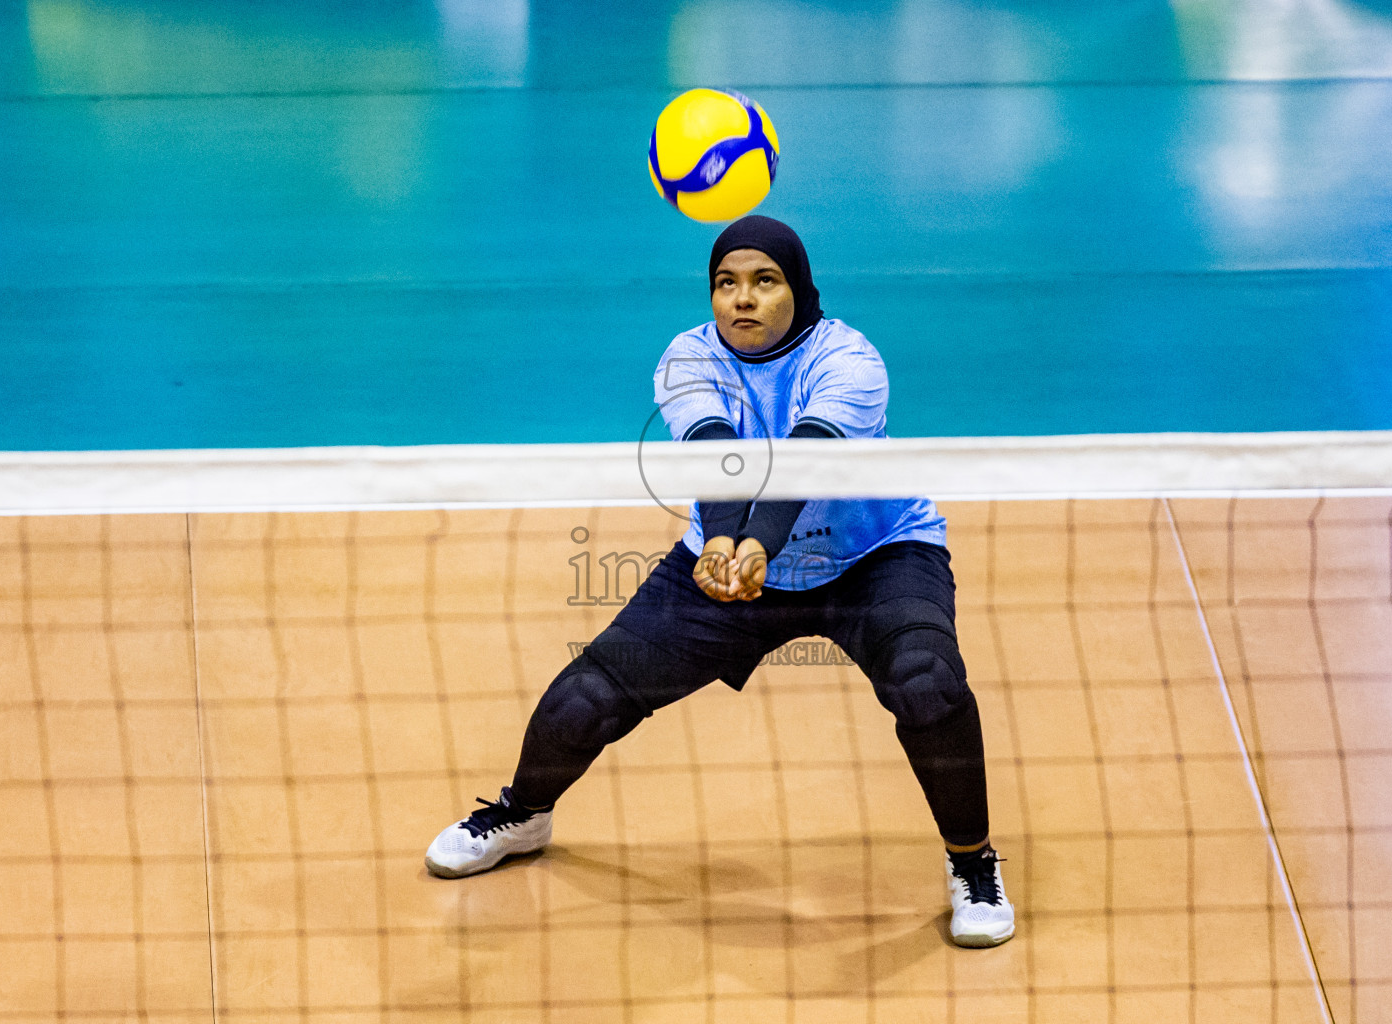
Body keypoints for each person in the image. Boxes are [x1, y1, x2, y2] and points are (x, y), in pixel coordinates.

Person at [424, 216, 1015, 948]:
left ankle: (973, 863)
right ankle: (524, 812)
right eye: (726, 284)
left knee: (928, 682)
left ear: (798, 290)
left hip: (874, 557)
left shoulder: (849, 361)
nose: (743, 299)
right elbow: (717, 458)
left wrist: (756, 546)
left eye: (764, 282)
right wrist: (724, 548)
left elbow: (805, 463)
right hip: (731, 555)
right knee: (587, 698)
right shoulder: (686, 359)